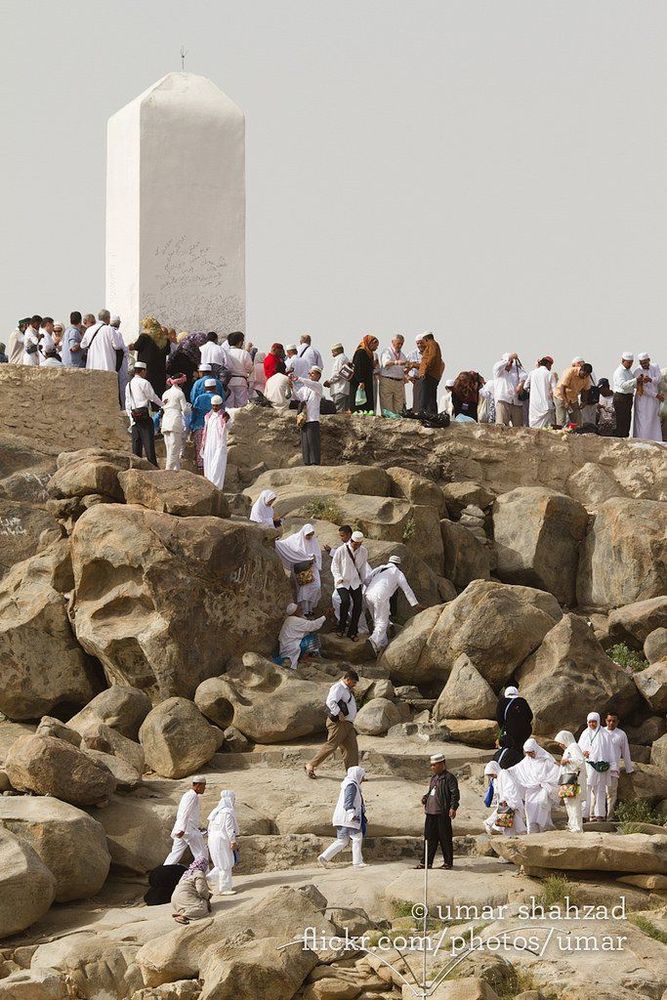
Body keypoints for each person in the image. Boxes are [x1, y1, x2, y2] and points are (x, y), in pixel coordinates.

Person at [305, 670, 360, 778]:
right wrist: (339, 713)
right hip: (339, 723)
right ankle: (311, 765)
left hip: (348, 724)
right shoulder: (338, 687)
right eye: (353, 682)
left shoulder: (347, 690)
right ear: (348, 679)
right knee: (331, 745)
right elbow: (330, 701)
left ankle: (353, 774)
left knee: (352, 748)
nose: (354, 684)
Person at [364, 555, 419, 655]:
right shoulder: (398, 573)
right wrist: (415, 604)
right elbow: (407, 589)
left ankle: (382, 644)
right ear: (398, 565)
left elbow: (367, 580)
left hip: (368, 594)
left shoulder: (379, 568)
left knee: (377, 620)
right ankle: (373, 641)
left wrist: (373, 589)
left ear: (389, 562)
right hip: (381, 596)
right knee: (382, 622)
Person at [415, 752, 459, 869]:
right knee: (429, 839)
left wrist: (453, 807)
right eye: (432, 765)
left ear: (442, 764)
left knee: (445, 838)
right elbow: (431, 792)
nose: (432, 767)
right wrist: (425, 797)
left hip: (442, 813)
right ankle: (426, 862)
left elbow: (455, 794)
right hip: (430, 813)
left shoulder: (449, 778)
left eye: (434, 765)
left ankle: (448, 863)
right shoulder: (434, 778)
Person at [318, 766, 368, 869]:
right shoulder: (351, 785)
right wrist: (352, 814)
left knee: (342, 840)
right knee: (357, 837)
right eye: (362, 776)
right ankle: (357, 862)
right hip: (349, 817)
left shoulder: (348, 784)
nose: (362, 779)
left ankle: (324, 857)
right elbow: (348, 802)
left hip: (342, 818)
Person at [513, 738, 559, 833]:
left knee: (542, 804)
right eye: (527, 753)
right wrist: (507, 772)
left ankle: (544, 827)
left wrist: (546, 781)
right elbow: (518, 769)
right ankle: (532, 829)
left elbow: (554, 771)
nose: (529, 755)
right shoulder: (527, 760)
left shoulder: (546, 758)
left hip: (543, 788)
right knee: (530, 807)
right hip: (531, 789)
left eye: (531, 752)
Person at [578, 712, 617, 822]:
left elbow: (610, 751)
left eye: (594, 721)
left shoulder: (605, 734)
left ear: (598, 721)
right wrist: (583, 752)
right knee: (586, 790)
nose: (592, 724)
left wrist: (613, 765)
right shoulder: (585, 733)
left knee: (600, 790)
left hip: (600, 767)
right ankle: (584, 815)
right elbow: (578, 749)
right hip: (587, 767)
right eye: (590, 722)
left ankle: (599, 814)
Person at [331, 530, 370, 640]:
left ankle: (353, 632)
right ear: (351, 541)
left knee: (358, 606)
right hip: (342, 582)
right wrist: (338, 577)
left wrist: (362, 581)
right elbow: (334, 566)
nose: (356, 546)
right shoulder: (341, 550)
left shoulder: (363, 551)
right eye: (355, 544)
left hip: (355, 582)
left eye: (359, 544)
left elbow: (362, 567)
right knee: (345, 602)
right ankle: (341, 628)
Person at [275, 523, 322, 614]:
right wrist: (274, 542)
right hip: (301, 570)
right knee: (304, 589)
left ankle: (310, 608)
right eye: (308, 535)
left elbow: (317, 554)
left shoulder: (314, 541)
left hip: (312, 567)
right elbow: (284, 545)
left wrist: (312, 558)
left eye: (311, 534)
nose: (309, 537)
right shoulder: (295, 538)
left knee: (317, 587)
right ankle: (305, 611)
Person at [125, 362, 163, 466]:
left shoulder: (129, 385)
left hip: (134, 417)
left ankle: (136, 467)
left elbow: (127, 403)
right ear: (142, 371)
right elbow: (152, 397)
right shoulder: (144, 382)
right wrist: (163, 404)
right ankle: (152, 466)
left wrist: (131, 419)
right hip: (144, 416)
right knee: (148, 444)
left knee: (136, 445)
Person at [164, 776, 208, 866]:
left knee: (175, 854)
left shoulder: (188, 795)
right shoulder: (192, 796)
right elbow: (185, 813)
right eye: (204, 786)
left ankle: (162, 872)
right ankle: (204, 874)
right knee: (201, 853)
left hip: (184, 829)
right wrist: (182, 829)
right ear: (198, 785)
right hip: (188, 830)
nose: (205, 788)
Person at [554, 730, 587, 834]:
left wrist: (567, 761)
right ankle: (572, 825)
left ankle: (577, 827)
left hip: (573, 780)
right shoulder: (569, 748)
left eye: (560, 742)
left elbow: (580, 762)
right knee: (569, 802)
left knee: (575, 803)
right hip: (567, 780)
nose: (560, 745)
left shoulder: (574, 747)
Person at [482, 760, 527, 838]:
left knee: (510, 816)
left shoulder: (504, 774)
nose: (492, 776)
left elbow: (510, 787)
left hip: (510, 799)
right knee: (510, 818)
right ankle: (515, 835)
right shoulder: (497, 778)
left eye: (491, 774)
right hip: (506, 801)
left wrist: (506, 799)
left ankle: (489, 822)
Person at [207, 789, 239, 895]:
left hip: (212, 839)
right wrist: (233, 841)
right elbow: (229, 828)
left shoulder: (215, 812)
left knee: (220, 863)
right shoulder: (228, 813)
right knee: (226, 863)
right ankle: (224, 889)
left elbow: (209, 828)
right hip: (222, 839)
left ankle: (209, 879)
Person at [290, 366, 323, 466]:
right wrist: (292, 387)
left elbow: (310, 383)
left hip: (313, 418)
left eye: (312, 373)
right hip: (304, 419)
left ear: (318, 375)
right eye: (309, 373)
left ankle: (315, 461)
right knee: (305, 442)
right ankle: (307, 461)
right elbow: (298, 396)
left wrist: (298, 378)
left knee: (313, 442)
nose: (310, 375)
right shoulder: (305, 388)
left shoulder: (317, 386)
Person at [494, 685, 533, 769]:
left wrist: (503, 728)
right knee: (520, 746)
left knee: (510, 746)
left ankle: (510, 763)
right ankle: (521, 762)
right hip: (525, 730)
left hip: (510, 730)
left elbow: (499, 718)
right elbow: (530, 716)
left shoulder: (502, 702)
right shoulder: (522, 701)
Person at [278, 602, 326, 669]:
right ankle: (305, 657)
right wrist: (325, 616)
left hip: (286, 646)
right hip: (292, 647)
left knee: (309, 634)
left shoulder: (289, 619)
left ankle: (304, 656)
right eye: (298, 609)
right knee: (312, 637)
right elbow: (313, 625)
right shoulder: (294, 620)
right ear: (295, 612)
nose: (301, 609)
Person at [604, 713, 634, 819]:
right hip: (599, 768)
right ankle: (596, 816)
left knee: (611, 794)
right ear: (605, 721)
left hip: (613, 768)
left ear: (617, 722)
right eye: (609, 720)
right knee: (598, 793)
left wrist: (629, 768)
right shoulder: (600, 732)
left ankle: (609, 816)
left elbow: (626, 752)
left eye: (614, 721)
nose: (611, 723)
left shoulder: (621, 734)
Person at [161, 375, 191, 471]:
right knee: (175, 447)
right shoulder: (179, 393)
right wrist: (190, 409)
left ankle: (176, 469)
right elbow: (185, 410)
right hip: (175, 420)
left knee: (169, 446)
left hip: (165, 420)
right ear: (181, 383)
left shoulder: (165, 393)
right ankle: (168, 469)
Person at [81, 310, 125, 374]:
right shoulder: (110, 329)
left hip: (93, 365)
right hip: (106, 365)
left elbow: (82, 345)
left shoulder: (89, 330)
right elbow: (117, 346)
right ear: (108, 318)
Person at [202, 396, 231, 490]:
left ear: (220, 405)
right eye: (213, 406)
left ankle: (217, 487)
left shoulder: (225, 415)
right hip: (209, 444)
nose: (215, 408)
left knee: (218, 464)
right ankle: (209, 486)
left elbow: (230, 426)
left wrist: (226, 421)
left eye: (217, 406)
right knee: (209, 464)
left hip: (219, 444)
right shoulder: (208, 416)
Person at [171, 858, 212, 925]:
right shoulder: (199, 873)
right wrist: (207, 898)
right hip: (184, 896)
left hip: (175, 899)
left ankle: (182, 912)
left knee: (192, 902)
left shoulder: (186, 873)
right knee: (202, 907)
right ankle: (183, 916)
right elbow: (201, 890)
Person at [632, 352, 663, 441]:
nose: (643, 365)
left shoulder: (655, 367)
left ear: (649, 360)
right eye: (641, 363)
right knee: (643, 421)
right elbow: (642, 389)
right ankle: (642, 440)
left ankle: (656, 440)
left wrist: (650, 379)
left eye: (645, 362)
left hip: (654, 401)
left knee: (654, 420)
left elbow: (658, 379)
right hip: (643, 400)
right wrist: (656, 395)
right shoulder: (637, 371)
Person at [554, 360, 592, 428]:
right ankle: (560, 435)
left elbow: (585, 390)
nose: (585, 376)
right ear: (581, 370)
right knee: (561, 419)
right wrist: (565, 401)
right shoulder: (570, 372)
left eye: (587, 375)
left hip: (573, 398)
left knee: (577, 420)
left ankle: (575, 435)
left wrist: (584, 401)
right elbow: (562, 388)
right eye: (584, 374)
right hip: (561, 396)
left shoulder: (586, 377)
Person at [492, 353, 527, 427]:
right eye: (509, 361)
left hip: (516, 402)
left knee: (518, 427)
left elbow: (524, 376)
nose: (510, 364)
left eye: (512, 362)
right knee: (501, 426)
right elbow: (498, 366)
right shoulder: (498, 371)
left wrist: (520, 385)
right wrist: (509, 358)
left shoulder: (515, 369)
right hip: (503, 400)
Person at [190, 378, 218, 469]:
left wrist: (192, 425)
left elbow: (194, 412)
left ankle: (201, 468)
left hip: (199, 426)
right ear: (215, 388)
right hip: (213, 427)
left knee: (199, 447)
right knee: (212, 447)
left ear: (205, 388)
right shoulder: (217, 399)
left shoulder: (199, 398)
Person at [222, 331, 254, 407]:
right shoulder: (244, 353)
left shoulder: (225, 352)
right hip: (241, 382)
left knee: (228, 405)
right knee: (241, 405)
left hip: (228, 381)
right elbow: (249, 368)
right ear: (240, 342)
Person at [522, 357, 556, 429]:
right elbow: (554, 390)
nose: (550, 368)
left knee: (534, 427)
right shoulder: (550, 374)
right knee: (548, 428)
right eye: (550, 365)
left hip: (534, 405)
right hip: (546, 405)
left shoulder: (532, 373)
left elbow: (525, 387)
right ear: (547, 364)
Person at [378, 336, 407, 416]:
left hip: (399, 382)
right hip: (387, 381)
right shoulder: (387, 351)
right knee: (387, 405)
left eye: (402, 344)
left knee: (399, 406)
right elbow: (386, 363)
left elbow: (404, 368)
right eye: (398, 343)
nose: (400, 345)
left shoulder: (403, 355)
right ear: (393, 342)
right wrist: (396, 362)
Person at [350, 336, 379, 413]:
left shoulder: (369, 353)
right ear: (370, 343)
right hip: (359, 381)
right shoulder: (361, 352)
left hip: (367, 380)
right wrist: (361, 381)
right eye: (375, 345)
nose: (376, 347)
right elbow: (358, 368)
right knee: (359, 401)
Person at [417, 332, 444, 414]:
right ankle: (432, 413)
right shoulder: (434, 344)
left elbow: (432, 358)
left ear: (426, 339)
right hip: (433, 375)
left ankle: (422, 412)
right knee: (431, 396)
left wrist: (425, 370)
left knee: (424, 395)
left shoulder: (432, 344)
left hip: (429, 374)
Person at [612, 352, 636, 437]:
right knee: (621, 420)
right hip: (621, 397)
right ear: (623, 361)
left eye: (631, 362)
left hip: (628, 398)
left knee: (627, 420)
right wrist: (636, 380)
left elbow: (633, 385)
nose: (630, 364)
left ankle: (625, 437)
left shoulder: (629, 372)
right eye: (628, 362)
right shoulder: (619, 372)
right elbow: (623, 385)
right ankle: (619, 438)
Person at [323, 343, 352, 412]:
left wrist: (329, 381)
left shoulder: (340, 359)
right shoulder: (344, 358)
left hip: (339, 388)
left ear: (337, 351)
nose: (332, 354)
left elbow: (338, 374)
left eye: (333, 352)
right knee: (344, 411)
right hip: (343, 389)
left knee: (339, 411)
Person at [406, 335, 426, 411]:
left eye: (421, 343)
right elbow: (403, 368)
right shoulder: (411, 354)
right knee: (417, 401)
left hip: (428, 380)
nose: (419, 345)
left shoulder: (429, 353)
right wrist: (408, 377)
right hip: (417, 380)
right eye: (418, 343)